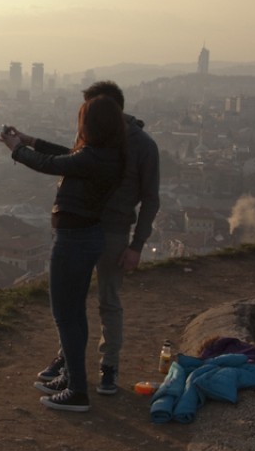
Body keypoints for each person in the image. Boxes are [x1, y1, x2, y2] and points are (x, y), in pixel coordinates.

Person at [14, 81, 160, 396]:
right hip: (85, 227)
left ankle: (107, 368)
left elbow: (151, 199)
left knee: (106, 301)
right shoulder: (99, 137)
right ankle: (68, 362)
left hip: (112, 231)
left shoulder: (142, 145)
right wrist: (32, 141)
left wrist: (136, 245)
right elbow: (73, 158)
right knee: (73, 302)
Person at [1, 95, 126, 412]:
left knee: (65, 315)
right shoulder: (106, 154)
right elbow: (67, 156)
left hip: (74, 241)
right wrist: (29, 141)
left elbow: (52, 164)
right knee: (75, 314)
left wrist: (17, 149)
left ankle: (78, 391)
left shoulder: (94, 158)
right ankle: (72, 378)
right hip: (85, 237)